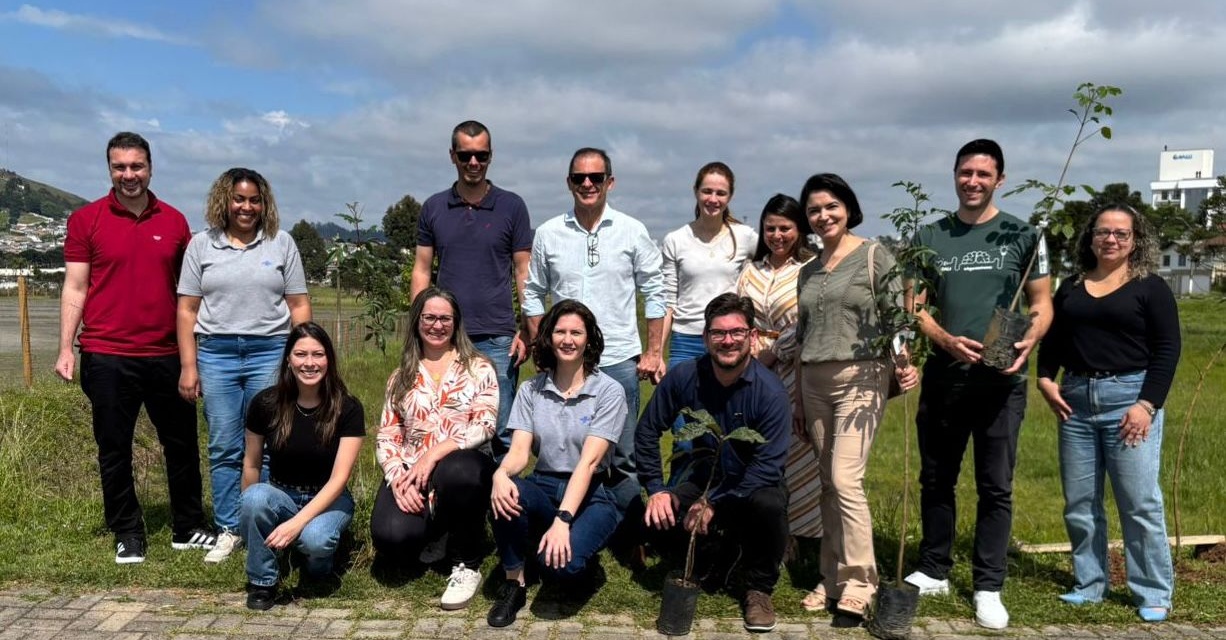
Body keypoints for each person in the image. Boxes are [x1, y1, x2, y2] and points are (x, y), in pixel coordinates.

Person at [904, 139, 1053, 630]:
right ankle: (934, 568)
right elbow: (914, 306)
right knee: (936, 478)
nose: (972, 181)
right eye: (965, 172)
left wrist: (1031, 336)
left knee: (996, 486)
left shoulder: (1023, 234)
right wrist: (943, 339)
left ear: (1000, 180)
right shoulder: (930, 235)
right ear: (954, 175)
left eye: (983, 174)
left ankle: (988, 584)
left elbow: (1042, 302)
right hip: (946, 376)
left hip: (1001, 380)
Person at [57, 131, 215, 564]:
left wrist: (194, 354)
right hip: (106, 354)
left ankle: (188, 526)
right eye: (120, 167)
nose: (129, 175)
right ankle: (127, 530)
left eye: (136, 166)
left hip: (166, 353)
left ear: (150, 167)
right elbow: (75, 287)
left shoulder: (175, 221)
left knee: (182, 444)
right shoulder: (86, 219)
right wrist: (65, 348)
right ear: (110, 169)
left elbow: (190, 295)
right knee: (114, 447)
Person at [1036, 205, 1180, 623]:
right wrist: (1045, 379)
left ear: (1136, 240)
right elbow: (1054, 341)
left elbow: (1168, 349)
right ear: (1091, 237)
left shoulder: (1150, 287)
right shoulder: (1072, 287)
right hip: (1076, 401)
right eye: (1103, 232)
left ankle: (1152, 590)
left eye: (1121, 233)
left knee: (1138, 502)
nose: (1111, 240)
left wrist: (1147, 405)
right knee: (1080, 503)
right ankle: (1090, 583)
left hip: (1129, 401)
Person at [792, 174, 919, 618]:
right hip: (813, 380)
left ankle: (861, 583)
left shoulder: (873, 256)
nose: (822, 216)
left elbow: (897, 319)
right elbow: (802, 334)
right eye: (814, 210)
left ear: (848, 207)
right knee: (828, 483)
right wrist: (797, 400)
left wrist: (903, 363)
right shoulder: (807, 270)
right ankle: (830, 577)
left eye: (831, 206)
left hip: (861, 376)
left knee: (847, 480)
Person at [177, 167, 312, 564]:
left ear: (264, 203)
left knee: (270, 442)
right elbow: (187, 310)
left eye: (254, 200)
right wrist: (189, 365)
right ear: (225, 201)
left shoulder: (281, 244)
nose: (246, 207)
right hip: (216, 353)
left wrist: (302, 356)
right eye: (239, 199)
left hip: (269, 351)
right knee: (224, 445)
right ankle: (229, 527)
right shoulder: (202, 246)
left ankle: (265, 521)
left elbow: (299, 304)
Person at [523, 147, 666, 516]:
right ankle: (572, 518)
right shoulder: (550, 234)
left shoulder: (633, 231)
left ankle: (629, 530)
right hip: (564, 360)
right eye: (579, 178)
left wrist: (653, 352)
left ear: (610, 182)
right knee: (561, 448)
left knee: (623, 453)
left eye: (596, 177)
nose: (588, 184)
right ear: (568, 183)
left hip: (617, 358)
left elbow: (655, 290)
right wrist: (542, 346)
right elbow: (534, 291)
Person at [636, 293, 791, 633]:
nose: (728, 340)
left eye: (737, 332)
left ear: (752, 337)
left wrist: (712, 504)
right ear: (705, 338)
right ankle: (718, 554)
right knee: (661, 518)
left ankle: (759, 587)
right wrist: (658, 490)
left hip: (752, 485)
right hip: (705, 477)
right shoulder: (684, 376)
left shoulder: (770, 393)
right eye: (718, 333)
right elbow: (647, 431)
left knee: (769, 504)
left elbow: (767, 467)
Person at [487, 300, 629, 628]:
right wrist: (501, 473)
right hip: (545, 482)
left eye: (576, 332)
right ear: (548, 337)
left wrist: (564, 519)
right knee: (506, 491)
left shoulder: (609, 391)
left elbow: (590, 462)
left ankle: (576, 557)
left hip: (593, 490)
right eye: (560, 331)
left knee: (561, 569)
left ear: (589, 339)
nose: (568, 339)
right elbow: (520, 451)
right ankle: (514, 583)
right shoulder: (530, 390)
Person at [370, 287, 498, 611]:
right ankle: (438, 531)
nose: (437, 325)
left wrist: (436, 451)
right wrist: (397, 478)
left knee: (459, 472)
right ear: (417, 322)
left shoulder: (479, 368)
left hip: (462, 467)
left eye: (445, 318)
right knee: (391, 537)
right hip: (413, 471)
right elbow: (387, 434)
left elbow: (485, 424)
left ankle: (467, 560)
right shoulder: (401, 376)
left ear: (456, 323)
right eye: (429, 317)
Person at [410, 120, 533, 457]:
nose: (474, 163)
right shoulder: (434, 207)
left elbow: (524, 270)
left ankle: (502, 506)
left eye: (481, 155)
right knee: (448, 427)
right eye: (466, 155)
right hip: (445, 336)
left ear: (491, 156)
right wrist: (418, 324)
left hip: (498, 337)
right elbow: (422, 270)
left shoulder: (512, 207)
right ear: (453, 156)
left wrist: (528, 327)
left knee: (500, 430)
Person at [239, 322, 364, 610]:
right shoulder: (265, 403)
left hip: (330, 498)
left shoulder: (348, 408)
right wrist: (249, 524)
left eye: (318, 355)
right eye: (301, 354)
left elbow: (339, 479)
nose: (309, 363)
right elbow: (252, 463)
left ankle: (317, 564)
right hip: (281, 493)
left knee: (316, 540)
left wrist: (297, 523)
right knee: (255, 498)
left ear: (329, 360)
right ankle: (263, 581)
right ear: (288, 359)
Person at [736, 194, 820, 559]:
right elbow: (741, 312)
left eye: (785, 228)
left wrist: (775, 352)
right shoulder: (751, 270)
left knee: (796, 449)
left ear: (799, 230)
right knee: (758, 446)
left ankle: (799, 532)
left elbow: (808, 321)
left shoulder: (811, 269)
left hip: (794, 367)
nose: (777, 235)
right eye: (770, 228)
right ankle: (761, 527)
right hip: (752, 366)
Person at [660, 161, 757, 368]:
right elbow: (669, 301)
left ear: (730, 196)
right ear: (696, 192)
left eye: (720, 193)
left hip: (729, 338)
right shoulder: (675, 240)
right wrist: (657, 353)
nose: (713, 199)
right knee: (682, 399)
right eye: (707, 191)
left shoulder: (745, 236)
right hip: (686, 340)